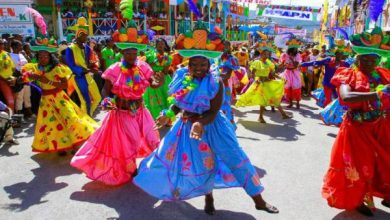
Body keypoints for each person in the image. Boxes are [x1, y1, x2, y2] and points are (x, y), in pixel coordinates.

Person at [134, 23, 279, 216]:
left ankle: (259, 200)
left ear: (209, 64)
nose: (198, 68)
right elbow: (179, 103)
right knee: (203, 163)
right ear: (189, 64)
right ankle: (208, 198)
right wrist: (167, 114)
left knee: (237, 159)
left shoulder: (215, 82)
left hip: (213, 126)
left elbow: (214, 111)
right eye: (194, 64)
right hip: (188, 128)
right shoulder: (182, 77)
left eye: (203, 64)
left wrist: (200, 123)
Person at [71, 18, 163, 186]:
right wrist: (106, 99)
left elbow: (153, 84)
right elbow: (106, 88)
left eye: (134, 53)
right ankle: (132, 169)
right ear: (122, 53)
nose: (131, 56)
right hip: (122, 113)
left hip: (141, 110)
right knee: (132, 142)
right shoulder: (114, 69)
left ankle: (154, 168)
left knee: (152, 138)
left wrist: (159, 82)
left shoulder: (143, 67)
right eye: (128, 53)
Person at [322, 28, 390, 217]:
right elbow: (346, 96)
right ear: (357, 59)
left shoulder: (382, 75)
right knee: (359, 166)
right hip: (357, 129)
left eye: (373, 60)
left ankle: (385, 193)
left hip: (381, 126)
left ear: (378, 60)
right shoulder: (348, 74)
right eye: (365, 60)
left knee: (384, 162)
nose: (369, 63)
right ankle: (357, 199)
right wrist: (376, 93)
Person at [21, 38, 97, 155]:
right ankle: (61, 146)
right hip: (46, 100)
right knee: (52, 125)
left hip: (59, 98)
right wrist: (31, 76)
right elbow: (25, 78)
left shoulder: (57, 68)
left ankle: (75, 144)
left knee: (70, 119)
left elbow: (64, 85)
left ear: (50, 57)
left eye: (45, 56)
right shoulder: (35, 68)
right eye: (40, 57)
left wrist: (48, 81)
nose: (43, 59)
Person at [236, 45, 291, 123]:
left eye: (268, 54)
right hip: (260, 83)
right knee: (264, 100)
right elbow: (252, 73)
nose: (267, 55)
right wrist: (256, 79)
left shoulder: (269, 63)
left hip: (267, 83)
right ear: (261, 54)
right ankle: (264, 117)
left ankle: (281, 115)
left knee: (272, 98)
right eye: (265, 54)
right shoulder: (257, 62)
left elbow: (273, 73)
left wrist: (281, 78)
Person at [65, 17, 102, 116]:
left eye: (86, 35)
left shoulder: (87, 48)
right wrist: (86, 70)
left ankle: (86, 117)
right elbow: (71, 65)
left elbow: (94, 60)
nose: (85, 37)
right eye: (83, 35)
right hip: (78, 77)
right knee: (85, 101)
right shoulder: (70, 49)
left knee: (97, 98)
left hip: (88, 75)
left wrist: (95, 67)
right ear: (77, 35)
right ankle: (86, 120)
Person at [143, 38, 173, 119]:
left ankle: (167, 118)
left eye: (162, 44)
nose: (161, 46)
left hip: (163, 78)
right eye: (159, 44)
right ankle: (152, 118)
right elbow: (146, 66)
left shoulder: (168, 57)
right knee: (152, 98)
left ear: (165, 45)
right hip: (152, 78)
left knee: (166, 97)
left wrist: (164, 62)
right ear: (156, 45)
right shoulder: (150, 54)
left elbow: (166, 71)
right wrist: (156, 61)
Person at [9, 40, 33, 118]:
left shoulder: (22, 54)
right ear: (14, 47)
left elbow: (28, 63)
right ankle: (19, 117)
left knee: (27, 96)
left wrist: (26, 55)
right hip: (18, 79)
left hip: (26, 78)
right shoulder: (9, 55)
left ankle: (29, 113)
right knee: (19, 97)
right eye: (20, 45)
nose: (21, 47)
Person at [280, 38, 303, 109]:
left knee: (296, 88)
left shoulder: (298, 55)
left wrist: (292, 59)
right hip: (287, 73)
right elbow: (283, 65)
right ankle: (290, 103)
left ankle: (298, 103)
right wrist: (284, 63)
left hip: (295, 72)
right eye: (292, 48)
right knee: (288, 88)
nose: (294, 49)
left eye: (295, 48)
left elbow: (296, 65)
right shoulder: (284, 55)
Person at [0, 39, 16, 111]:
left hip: (9, 80)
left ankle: (11, 117)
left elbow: (13, 67)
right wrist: (5, 79)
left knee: (12, 98)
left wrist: (13, 78)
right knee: (10, 100)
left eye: (2, 44)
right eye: (0, 44)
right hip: (2, 80)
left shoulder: (6, 53)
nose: (1, 45)